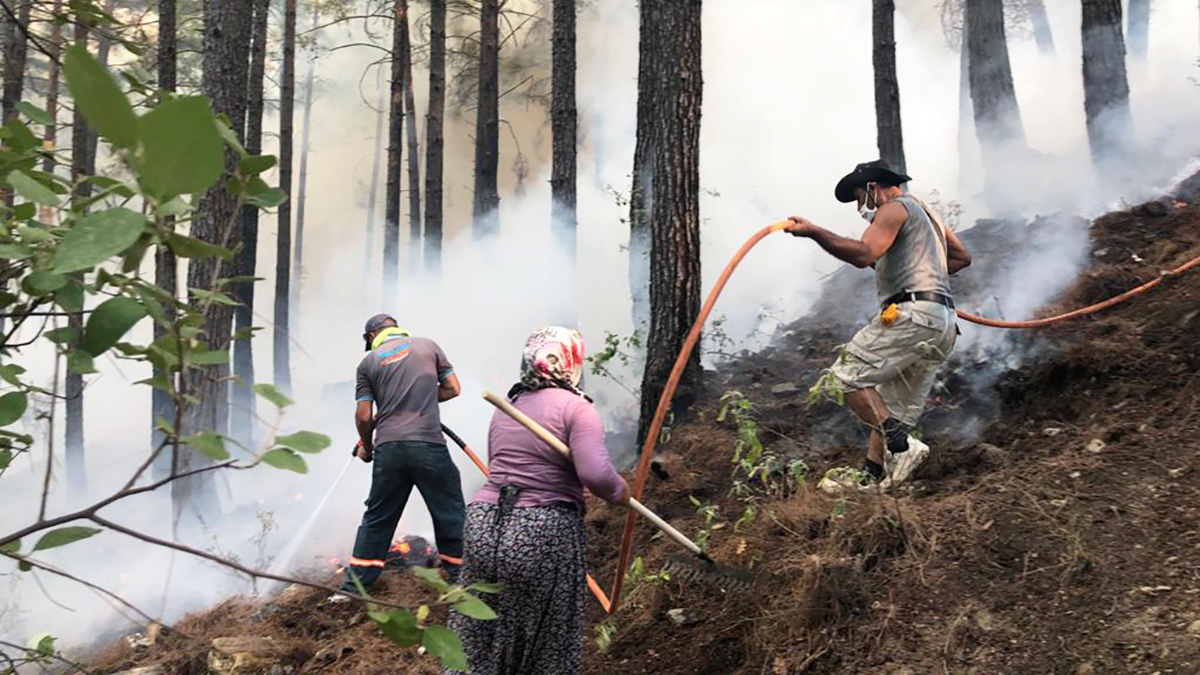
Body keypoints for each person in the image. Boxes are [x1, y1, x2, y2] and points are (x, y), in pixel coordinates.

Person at [447, 326, 630, 675]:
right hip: (539, 530)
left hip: (484, 524)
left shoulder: (507, 407)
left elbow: (504, 467)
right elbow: (596, 474)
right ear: (572, 362)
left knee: (480, 629)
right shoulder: (578, 409)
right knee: (547, 640)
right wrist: (621, 490)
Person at [785, 160, 972, 490]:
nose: (860, 208)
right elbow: (961, 257)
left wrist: (814, 232)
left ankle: (902, 447)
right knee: (887, 405)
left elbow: (862, 253)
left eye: (859, 197)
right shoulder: (926, 214)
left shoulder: (893, 207)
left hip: (912, 315)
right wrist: (913, 268)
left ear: (874, 188)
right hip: (943, 324)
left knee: (846, 377)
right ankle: (871, 476)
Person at [339, 313, 465, 593]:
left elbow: (363, 416)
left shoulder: (368, 363)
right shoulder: (428, 346)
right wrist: (417, 398)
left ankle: (352, 589)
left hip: (389, 449)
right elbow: (453, 388)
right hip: (428, 444)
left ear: (371, 337)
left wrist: (367, 447)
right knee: (449, 510)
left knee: (378, 518)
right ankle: (462, 581)